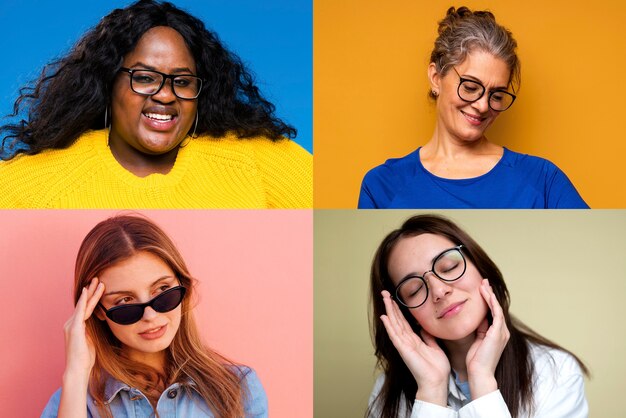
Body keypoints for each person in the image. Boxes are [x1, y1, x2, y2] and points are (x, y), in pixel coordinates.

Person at [0, 0, 311, 208]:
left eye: (182, 81)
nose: (165, 95)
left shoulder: (258, 161)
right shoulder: (36, 184)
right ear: (109, 82)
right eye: (145, 77)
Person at [358, 6, 587, 209]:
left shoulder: (542, 179)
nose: (482, 106)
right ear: (436, 77)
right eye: (470, 87)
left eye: (496, 95)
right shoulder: (382, 186)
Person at [40, 214, 267, 417]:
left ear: (182, 285)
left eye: (162, 291)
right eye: (125, 302)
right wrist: (77, 372)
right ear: (98, 311)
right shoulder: (75, 400)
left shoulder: (238, 387)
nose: (150, 314)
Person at [368, 214, 589, 417]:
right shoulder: (386, 394)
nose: (439, 290)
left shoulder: (558, 373)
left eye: (449, 267)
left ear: (482, 269)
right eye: (414, 290)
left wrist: (482, 381)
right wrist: (431, 390)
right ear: (406, 313)